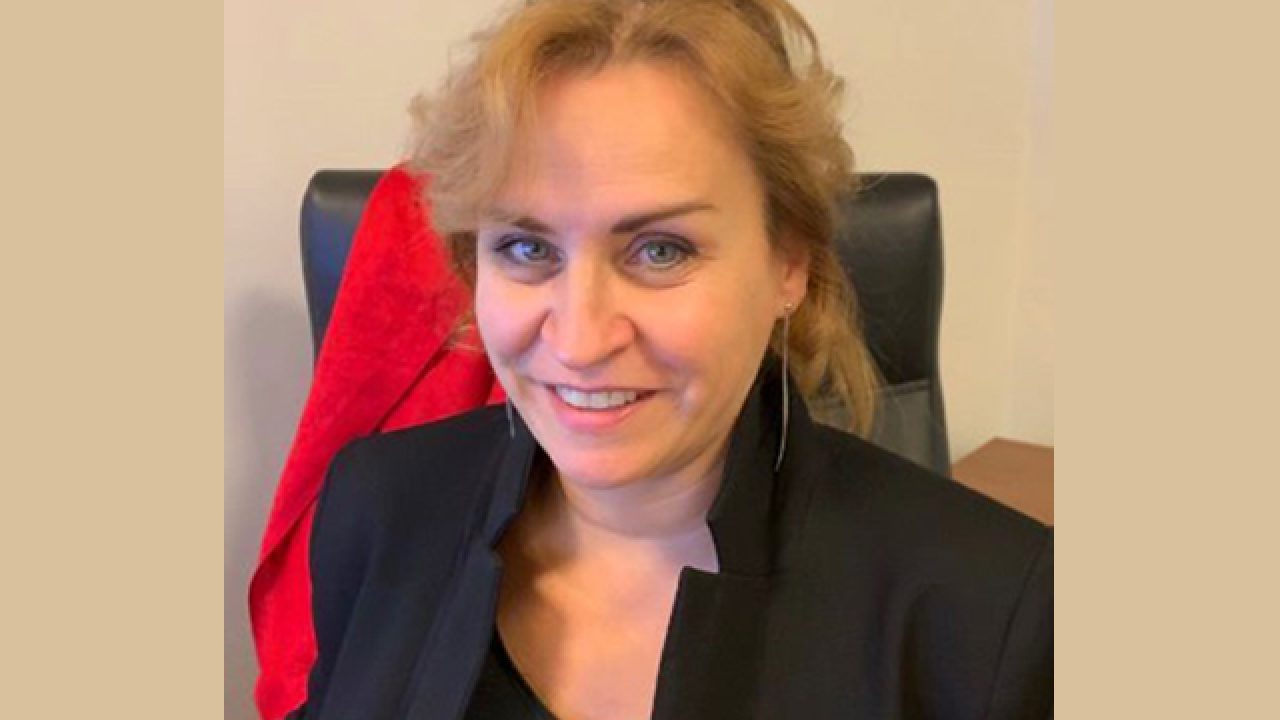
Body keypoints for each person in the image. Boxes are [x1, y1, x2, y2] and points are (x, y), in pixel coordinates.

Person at [291, 0, 1052, 718]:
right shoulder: (381, 507)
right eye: (526, 247)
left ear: (789, 263)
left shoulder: (992, 612)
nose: (580, 341)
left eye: (660, 250)